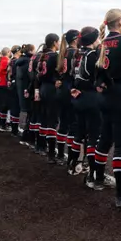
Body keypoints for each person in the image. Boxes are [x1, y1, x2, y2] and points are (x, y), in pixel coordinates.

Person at [93, 9, 121, 194]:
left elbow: (98, 75)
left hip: (105, 97)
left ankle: (98, 178)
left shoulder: (101, 44)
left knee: (105, 139)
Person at [67, 27, 101, 188]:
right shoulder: (93, 55)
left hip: (78, 97)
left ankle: (73, 165)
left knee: (79, 133)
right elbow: (97, 78)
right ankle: (92, 174)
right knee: (94, 136)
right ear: (94, 39)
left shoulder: (77, 53)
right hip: (91, 97)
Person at [55, 30, 79, 170]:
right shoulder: (74, 53)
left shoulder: (62, 52)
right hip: (71, 89)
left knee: (63, 123)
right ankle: (71, 158)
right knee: (73, 125)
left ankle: (60, 154)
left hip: (62, 90)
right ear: (75, 39)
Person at [37, 33, 61, 164]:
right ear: (54, 42)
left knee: (44, 118)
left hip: (43, 88)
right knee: (52, 120)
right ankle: (51, 152)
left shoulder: (42, 55)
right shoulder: (54, 56)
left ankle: (41, 146)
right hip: (51, 88)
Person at [16, 44, 36, 147]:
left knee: (27, 113)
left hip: (21, 90)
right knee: (31, 113)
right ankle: (28, 137)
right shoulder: (28, 61)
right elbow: (31, 77)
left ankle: (25, 135)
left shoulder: (19, 61)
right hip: (28, 90)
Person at [7, 45, 22, 136]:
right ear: (17, 51)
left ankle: (13, 128)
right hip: (16, 85)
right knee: (16, 107)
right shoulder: (16, 61)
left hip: (11, 84)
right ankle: (15, 129)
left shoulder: (11, 61)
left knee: (13, 107)